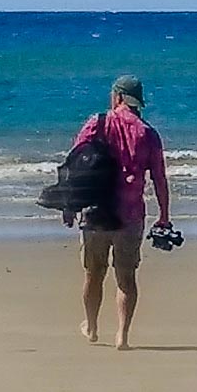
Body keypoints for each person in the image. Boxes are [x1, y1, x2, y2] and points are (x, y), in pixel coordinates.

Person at [67, 74, 170, 350]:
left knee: (94, 273)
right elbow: (159, 178)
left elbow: (74, 163)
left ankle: (91, 326)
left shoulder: (97, 123)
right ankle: (122, 336)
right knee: (126, 278)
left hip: (95, 213)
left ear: (118, 97)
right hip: (130, 215)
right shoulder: (148, 134)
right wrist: (164, 216)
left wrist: (69, 204)